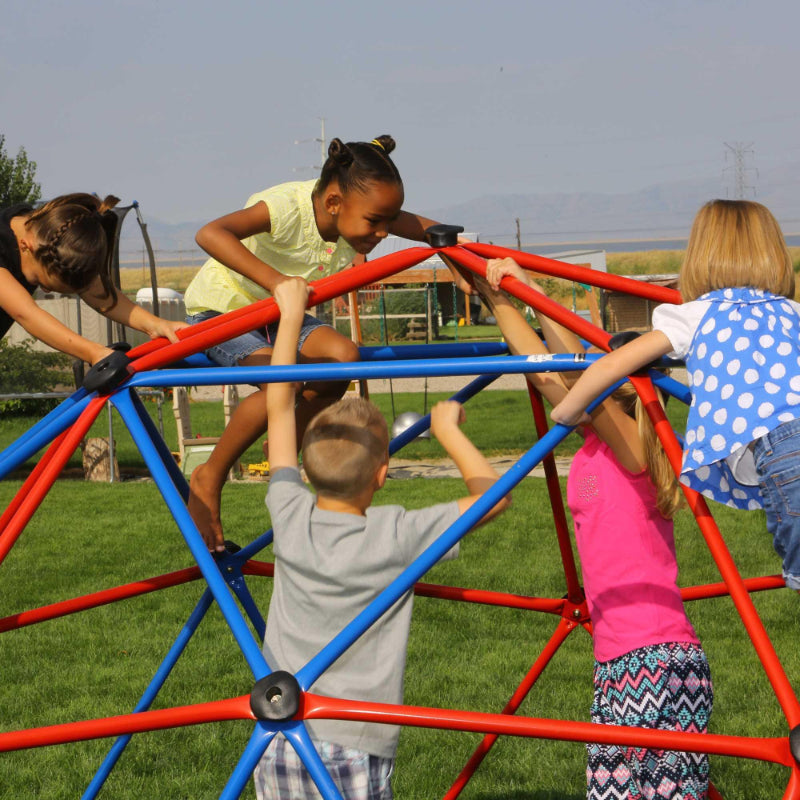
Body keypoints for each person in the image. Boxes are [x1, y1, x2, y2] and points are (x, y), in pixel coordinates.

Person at [253, 277, 510, 800]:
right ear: (381, 474)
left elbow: (278, 405)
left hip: (278, 736)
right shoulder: (396, 534)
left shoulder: (288, 512)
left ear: (305, 466)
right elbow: (495, 497)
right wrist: (450, 431)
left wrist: (291, 317)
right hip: (355, 737)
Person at [475, 258, 712, 800]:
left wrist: (535, 292)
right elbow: (543, 367)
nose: (569, 387)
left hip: (656, 662)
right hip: (621, 661)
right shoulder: (592, 440)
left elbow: (578, 375)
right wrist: (502, 299)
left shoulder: (635, 448)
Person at [185, 134, 467, 553]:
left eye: (388, 222)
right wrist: (278, 284)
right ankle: (210, 474)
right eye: (375, 222)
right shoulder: (288, 208)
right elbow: (210, 234)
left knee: (343, 358)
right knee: (287, 383)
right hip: (223, 312)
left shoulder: (353, 212)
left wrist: (455, 253)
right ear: (334, 203)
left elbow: (428, 230)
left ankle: (284, 439)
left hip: (280, 314)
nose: (385, 232)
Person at [551, 199, 800, 594]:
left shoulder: (696, 315)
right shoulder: (792, 311)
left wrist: (565, 413)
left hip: (785, 449)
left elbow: (607, 368)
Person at [0, 193, 187, 363]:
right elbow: (26, 313)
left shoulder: (50, 235)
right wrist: (94, 353)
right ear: (27, 246)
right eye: (38, 281)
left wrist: (156, 325)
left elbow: (99, 293)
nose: (45, 291)